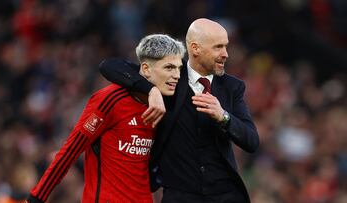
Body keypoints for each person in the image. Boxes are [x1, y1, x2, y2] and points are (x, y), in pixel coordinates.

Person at [99, 18, 259, 203]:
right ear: (195, 48)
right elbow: (110, 66)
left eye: (226, 46)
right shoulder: (170, 75)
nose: (225, 54)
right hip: (180, 195)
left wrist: (223, 116)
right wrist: (150, 90)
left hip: (225, 194)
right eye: (218, 47)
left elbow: (251, 141)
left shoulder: (232, 87)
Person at [25, 34, 186, 203]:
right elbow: (70, 151)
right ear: (146, 69)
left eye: (178, 68)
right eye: (169, 68)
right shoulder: (110, 99)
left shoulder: (166, 107)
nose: (176, 75)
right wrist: (36, 198)